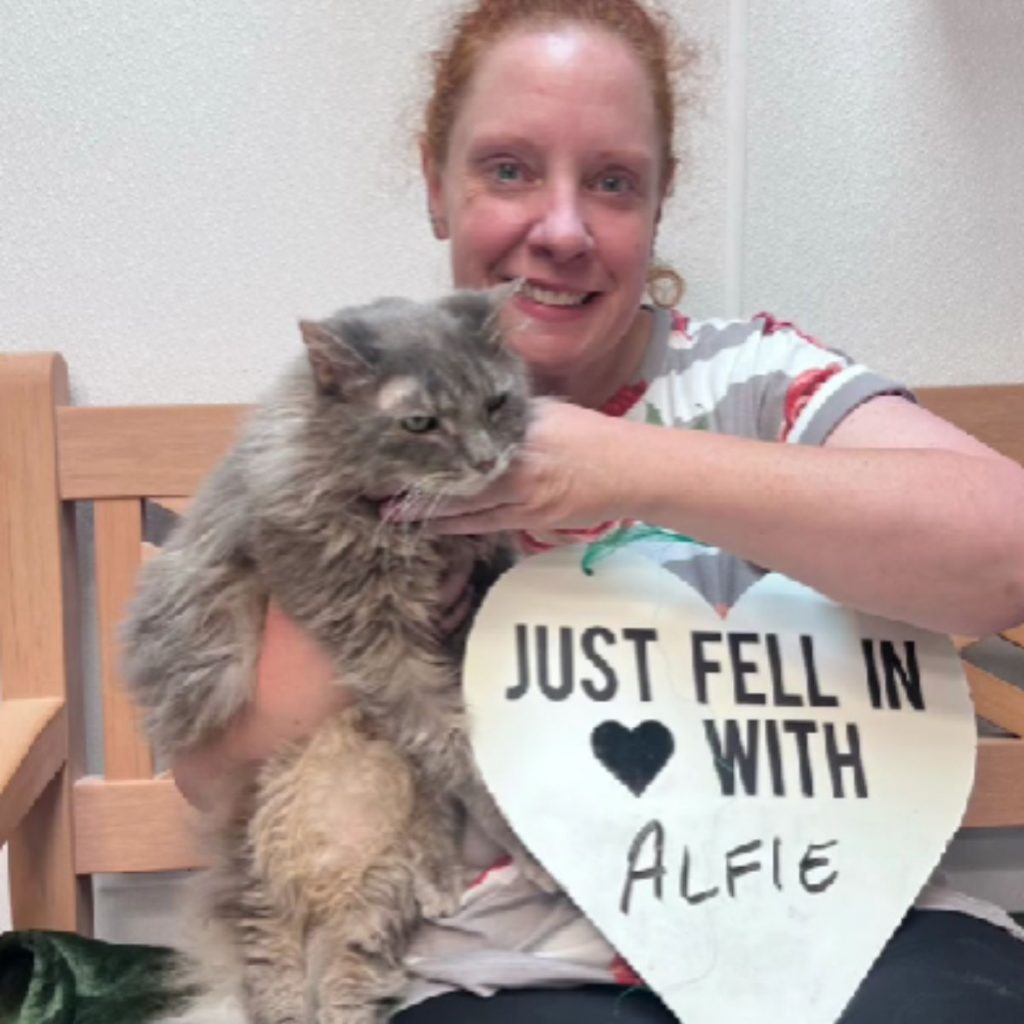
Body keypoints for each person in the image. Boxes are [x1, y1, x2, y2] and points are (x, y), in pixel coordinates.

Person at [172, 1, 1024, 1020]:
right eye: (509, 169)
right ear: (437, 185)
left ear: (659, 205)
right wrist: (376, 589)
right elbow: (218, 771)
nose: (563, 228)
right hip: (498, 959)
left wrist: (628, 467)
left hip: (839, 916)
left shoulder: (758, 381)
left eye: (612, 182)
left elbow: (1001, 552)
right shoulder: (362, 413)